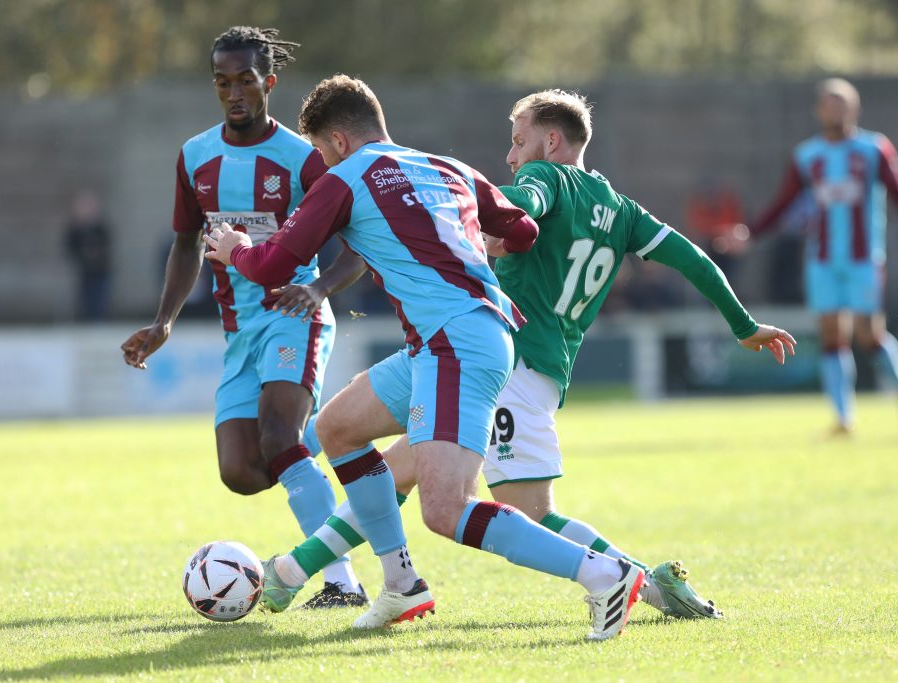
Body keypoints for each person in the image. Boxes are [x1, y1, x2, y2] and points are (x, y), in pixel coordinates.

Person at [205, 77, 796, 640]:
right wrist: (460, 221)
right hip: (467, 345)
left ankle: (610, 574)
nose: (512, 154)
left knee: (452, 506)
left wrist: (236, 249)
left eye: (518, 140)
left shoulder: (379, 176)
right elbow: (525, 229)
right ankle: (386, 582)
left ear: (336, 141)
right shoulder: (450, 167)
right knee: (339, 427)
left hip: (469, 344)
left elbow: (276, 264)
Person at [120, 27, 366, 608]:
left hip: (292, 313)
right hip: (240, 332)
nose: (234, 93)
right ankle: (328, 435)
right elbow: (185, 244)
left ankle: (342, 582)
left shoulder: (303, 160)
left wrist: (321, 288)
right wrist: (164, 322)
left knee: (277, 436)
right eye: (223, 82)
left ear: (268, 83)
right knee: (242, 471)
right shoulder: (195, 156)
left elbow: (360, 242)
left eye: (246, 81)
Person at [751, 78, 898, 434]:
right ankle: (843, 417)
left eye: (841, 103)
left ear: (854, 109)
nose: (834, 109)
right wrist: (751, 232)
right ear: (818, 110)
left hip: (864, 256)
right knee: (831, 333)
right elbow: (783, 201)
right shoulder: (807, 155)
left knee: (868, 336)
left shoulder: (874, 148)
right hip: (821, 258)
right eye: (828, 103)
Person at [64, 190, 112, 322]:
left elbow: (107, 246)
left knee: (99, 298)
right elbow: (69, 248)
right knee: (85, 299)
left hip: (101, 270)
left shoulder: (101, 227)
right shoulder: (74, 229)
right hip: (84, 271)